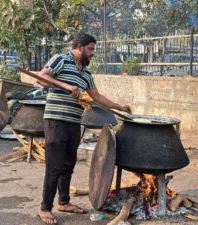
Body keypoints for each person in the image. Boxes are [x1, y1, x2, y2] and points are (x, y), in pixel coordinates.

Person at [36, 32, 132, 225]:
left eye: (94, 49)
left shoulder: (86, 74)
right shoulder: (61, 59)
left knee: (68, 164)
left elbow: (97, 97)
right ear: (79, 46)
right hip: (55, 120)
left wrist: (119, 107)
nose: (93, 53)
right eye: (90, 49)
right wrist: (66, 86)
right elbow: (41, 78)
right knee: (54, 166)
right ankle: (45, 208)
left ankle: (63, 202)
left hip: (74, 122)